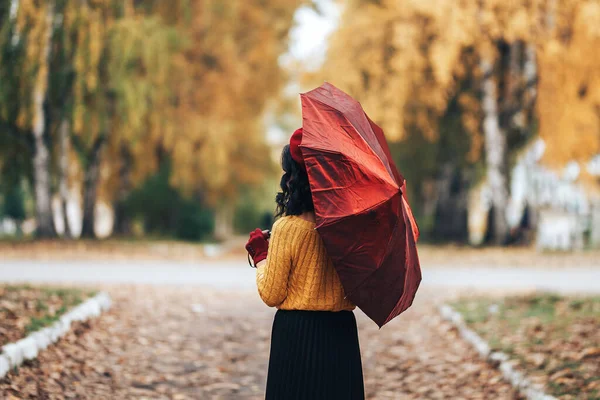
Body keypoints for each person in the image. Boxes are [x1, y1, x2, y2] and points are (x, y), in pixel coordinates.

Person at [245, 128, 365, 400]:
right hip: (341, 334)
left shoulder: (288, 229)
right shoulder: (350, 228)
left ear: (293, 179)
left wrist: (261, 256)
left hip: (298, 336)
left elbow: (271, 293)